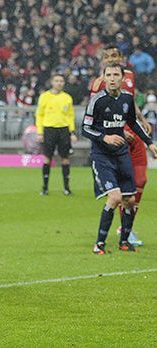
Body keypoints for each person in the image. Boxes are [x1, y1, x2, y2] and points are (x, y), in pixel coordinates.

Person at [81, 63, 157, 255]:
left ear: (123, 78)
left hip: (122, 155)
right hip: (102, 156)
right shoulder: (97, 101)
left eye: (116, 74)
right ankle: (99, 244)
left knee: (130, 200)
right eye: (109, 74)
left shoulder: (127, 98)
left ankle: (124, 241)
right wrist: (104, 137)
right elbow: (85, 128)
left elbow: (133, 122)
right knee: (115, 197)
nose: (112, 78)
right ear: (103, 78)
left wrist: (149, 142)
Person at [35, 74, 76, 196]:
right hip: (49, 129)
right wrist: (40, 132)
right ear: (52, 82)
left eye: (61, 81)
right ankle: (45, 187)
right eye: (57, 81)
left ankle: (66, 188)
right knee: (47, 157)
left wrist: (72, 132)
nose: (59, 83)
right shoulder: (44, 97)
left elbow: (70, 116)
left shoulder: (67, 98)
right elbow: (39, 114)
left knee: (65, 158)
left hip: (63, 130)